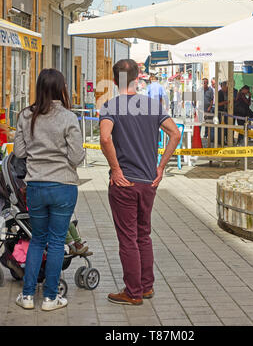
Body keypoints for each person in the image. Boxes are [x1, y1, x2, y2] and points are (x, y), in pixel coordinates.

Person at [99, 59, 180, 306]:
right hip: (148, 181)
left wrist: (115, 168)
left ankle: (132, 292)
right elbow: (175, 134)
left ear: (114, 81)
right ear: (137, 79)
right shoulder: (152, 106)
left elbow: (104, 138)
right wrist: (161, 166)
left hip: (125, 183)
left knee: (128, 238)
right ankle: (146, 287)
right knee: (143, 234)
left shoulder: (110, 106)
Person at [13, 69, 85, 311]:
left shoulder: (25, 115)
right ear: (61, 88)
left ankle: (26, 296)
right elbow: (76, 156)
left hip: (35, 186)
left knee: (37, 241)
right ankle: (51, 298)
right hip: (63, 186)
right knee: (56, 243)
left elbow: (20, 153)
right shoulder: (68, 117)